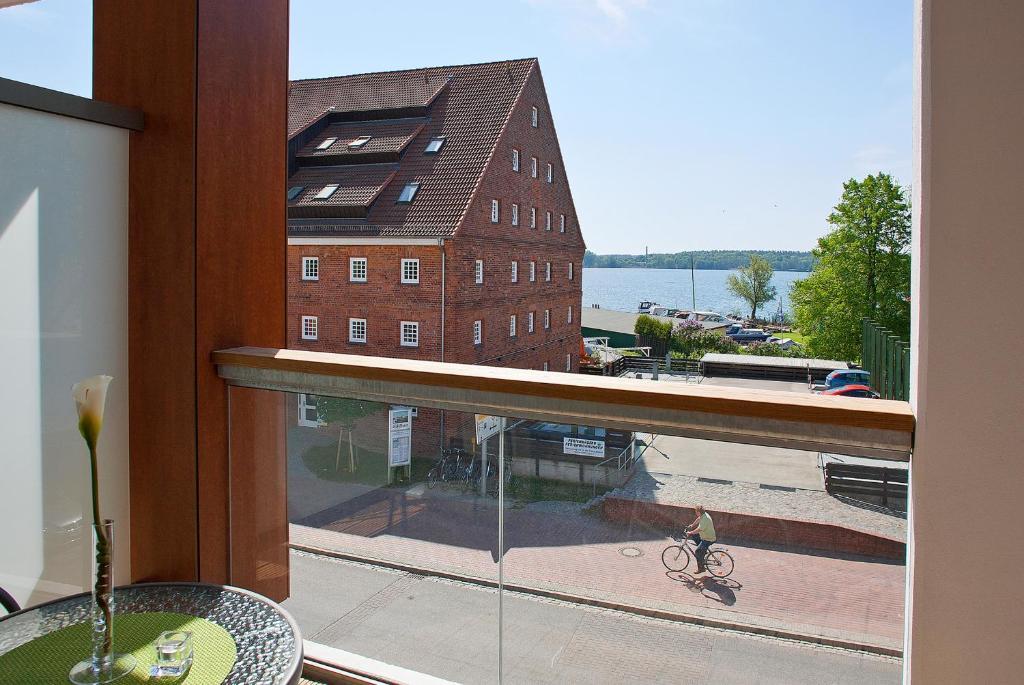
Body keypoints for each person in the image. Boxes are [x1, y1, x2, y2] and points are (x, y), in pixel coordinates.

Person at [684, 504, 716, 574]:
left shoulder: (705, 519)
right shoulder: (703, 515)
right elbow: (698, 519)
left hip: (708, 538)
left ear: (698, 512)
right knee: (695, 536)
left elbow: (699, 529)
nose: (695, 513)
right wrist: (692, 525)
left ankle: (701, 569)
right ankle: (703, 551)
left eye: (696, 511)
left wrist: (691, 532)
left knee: (697, 553)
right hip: (705, 536)